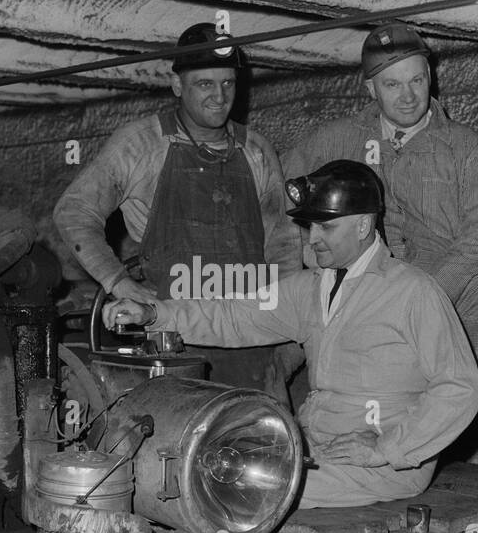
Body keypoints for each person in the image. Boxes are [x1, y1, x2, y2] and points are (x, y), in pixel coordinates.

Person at [289, 22, 478, 513]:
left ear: (431, 76)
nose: (408, 95)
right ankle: (291, 436)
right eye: (392, 84)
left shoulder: (463, 146)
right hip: (357, 304)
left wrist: (423, 292)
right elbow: (286, 204)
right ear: (368, 86)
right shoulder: (331, 141)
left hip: (445, 298)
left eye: (417, 80)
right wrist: (309, 260)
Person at [103, 160, 478, 508]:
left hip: (380, 467)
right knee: (202, 458)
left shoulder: (413, 291)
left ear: (364, 225)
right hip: (313, 444)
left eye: (327, 226)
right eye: (310, 225)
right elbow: (235, 314)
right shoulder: (310, 288)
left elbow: (461, 386)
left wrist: (387, 447)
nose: (313, 237)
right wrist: (154, 313)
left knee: (230, 486)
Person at [54, 22, 302, 396]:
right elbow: (74, 211)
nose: (219, 96)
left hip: (251, 343)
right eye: (205, 84)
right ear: (177, 86)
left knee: (266, 447)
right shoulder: (142, 145)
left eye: (228, 83)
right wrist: (119, 283)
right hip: (171, 344)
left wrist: (284, 336)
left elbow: (283, 246)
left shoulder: (256, 150)